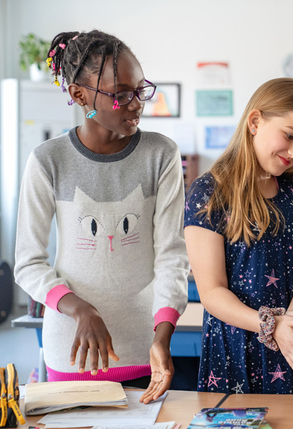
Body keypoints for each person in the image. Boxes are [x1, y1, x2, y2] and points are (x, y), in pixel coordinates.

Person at [14, 30, 189, 403]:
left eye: (140, 90)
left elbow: (172, 255)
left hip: (146, 349)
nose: (136, 104)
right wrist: (80, 310)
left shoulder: (161, 154)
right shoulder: (48, 161)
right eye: (121, 94)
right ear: (79, 95)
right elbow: (27, 263)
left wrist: (162, 332)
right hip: (73, 351)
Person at [184, 78, 293, 395]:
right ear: (255, 122)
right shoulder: (208, 192)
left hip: (292, 342)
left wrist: (289, 325)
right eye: (289, 136)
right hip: (234, 348)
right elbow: (212, 292)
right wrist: (273, 327)